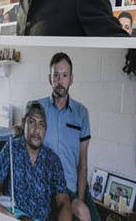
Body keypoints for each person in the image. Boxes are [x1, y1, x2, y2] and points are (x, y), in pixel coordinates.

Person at [0, 101, 71, 221]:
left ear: (45, 129)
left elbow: (64, 201)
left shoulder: (53, 160)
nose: (37, 130)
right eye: (32, 122)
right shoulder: (12, 148)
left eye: (41, 124)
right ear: (23, 123)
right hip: (15, 214)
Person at [38, 53, 98, 221]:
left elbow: (83, 161)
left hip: (72, 187)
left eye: (64, 75)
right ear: (50, 78)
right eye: (56, 75)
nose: (60, 80)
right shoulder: (38, 108)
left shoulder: (81, 113)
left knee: (87, 214)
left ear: (71, 79)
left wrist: (79, 198)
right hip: (47, 187)